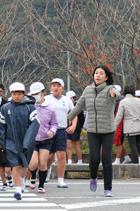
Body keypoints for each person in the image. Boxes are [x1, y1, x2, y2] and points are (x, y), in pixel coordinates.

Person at [67, 65, 120, 197]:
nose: (98, 75)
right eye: (96, 73)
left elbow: (117, 96)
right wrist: (69, 117)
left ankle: (108, 188)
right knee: (94, 159)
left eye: (101, 73)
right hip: (93, 130)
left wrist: (114, 94)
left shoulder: (109, 89)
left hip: (108, 129)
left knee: (107, 159)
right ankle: (93, 178)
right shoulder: (88, 90)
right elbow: (79, 105)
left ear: (106, 77)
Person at [0, 82, 40, 200]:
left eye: (19, 94)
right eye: (14, 93)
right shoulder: (5, 108)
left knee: (24, 166)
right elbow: (1, 126)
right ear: (11, 94)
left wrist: (27, 142)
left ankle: (21, 180)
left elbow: (35, 124)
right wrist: (4, 142)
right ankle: (17, 191)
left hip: (26, 142)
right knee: (15, 166)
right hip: (11, 142)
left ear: (23, 94)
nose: (17, 96)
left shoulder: (30, 107)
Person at [44, 78, 76, 188]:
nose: (56, 87)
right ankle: (46, 172)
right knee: (49, 156)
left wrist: (73, 125)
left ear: (63, 88)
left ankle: (60, 180)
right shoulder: (46, 99)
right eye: (54, 85)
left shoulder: (67, 100)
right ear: (50, 88)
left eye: (58, 86)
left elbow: (74, 113)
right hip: (48, 131)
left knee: (62, 155)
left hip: (62, 130)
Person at [28, 82, 57, 194]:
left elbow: (54, 124)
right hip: (32, 139)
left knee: (43, 163)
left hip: (46, 139)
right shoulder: (29, 107)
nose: (35, 95)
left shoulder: (50, 108)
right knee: (34, 163)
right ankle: (33, 176)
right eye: (33, 94)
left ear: (43, 93)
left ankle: (41, 186)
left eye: (37, 93)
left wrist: (52, 131)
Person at [114, 85, 140, 164]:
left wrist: (114, 127)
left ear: (125, 92)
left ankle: (135, 165)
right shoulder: (138, 101)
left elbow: (119, 116)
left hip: (130, 127)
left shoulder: (123, 102)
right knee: (138, 145)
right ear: (133, 92)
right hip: (139, 126)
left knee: (133, 146)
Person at [66, 91, 84, 164]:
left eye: (70, 98)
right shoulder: (66, 106)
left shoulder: (77, 107)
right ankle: (69, 161)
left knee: (76, 144)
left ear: (74, 98)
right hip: (67, 127)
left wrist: (80, 127)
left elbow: (82, 118)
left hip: (76, 128)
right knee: (68, 144)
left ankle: (80, 160)